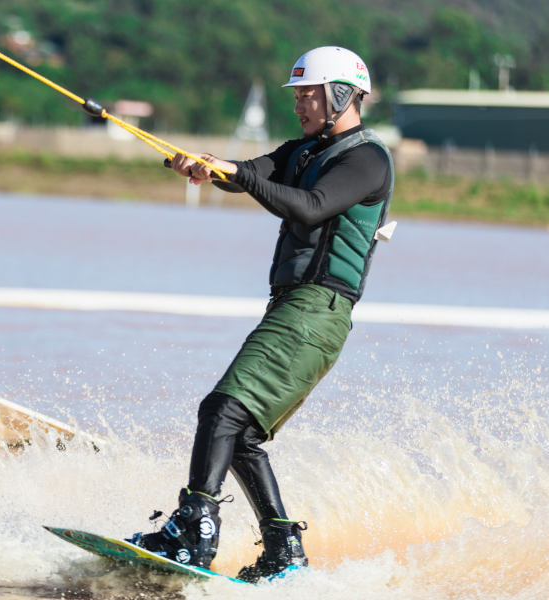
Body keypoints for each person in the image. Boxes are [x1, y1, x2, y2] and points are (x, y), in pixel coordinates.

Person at [127, 46, 393, 581]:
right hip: (295, 308)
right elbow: (250, 170)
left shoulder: (366, 160)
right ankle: (283, 551)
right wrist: (206, 168)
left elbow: (311, 206)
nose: (300, 104)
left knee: (220, 411)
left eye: (309, 94)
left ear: (343, 94)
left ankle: (193, 530)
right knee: (240, 433)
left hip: (318, 310)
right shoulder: (303, 150)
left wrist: (241, 179)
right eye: (297, 95)